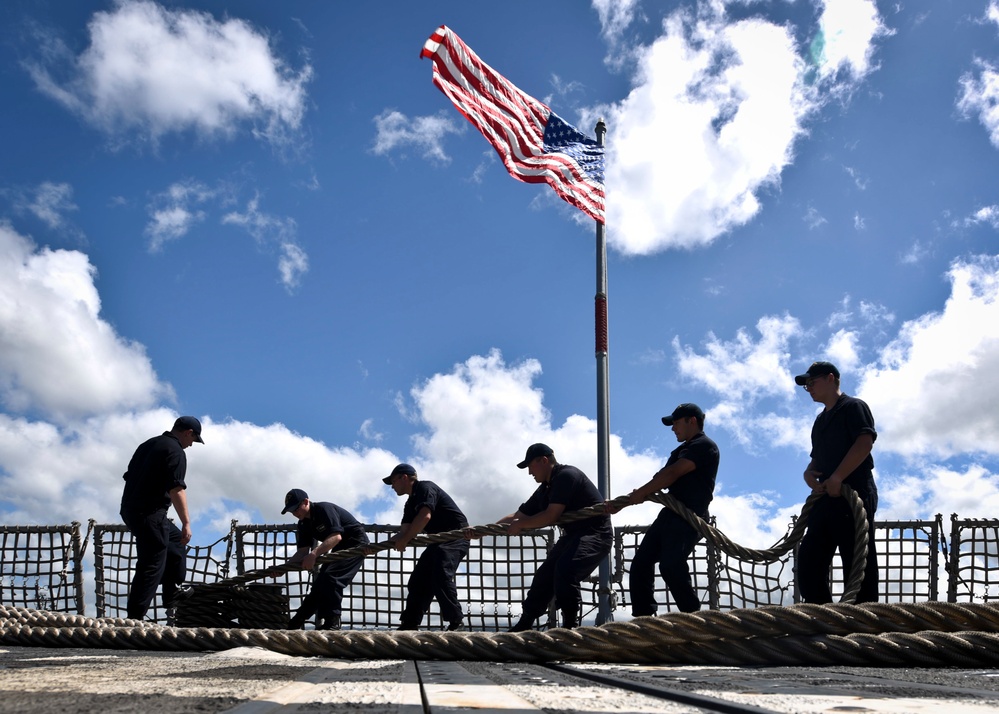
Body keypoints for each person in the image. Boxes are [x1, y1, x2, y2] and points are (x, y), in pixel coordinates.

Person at [500, 443, 612, 631]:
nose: (529, 473)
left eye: (530, 466)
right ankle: (525, 623)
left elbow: (550, 516)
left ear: (544, 461)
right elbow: (519, 515)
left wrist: (520, 525)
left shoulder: (566, 476)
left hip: (596, 533)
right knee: (543, 577)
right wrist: (482, 530)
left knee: (565, 570)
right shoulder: (545, 488)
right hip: (573, 535)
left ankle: (569, 628)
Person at [620, 404, 718, 615]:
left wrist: (641, 493)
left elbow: (673, 473)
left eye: (676, 423)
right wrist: (640, 493)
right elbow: (663, 476)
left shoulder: (704, 445)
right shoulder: (680, 450)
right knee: (640, 565)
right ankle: (644, 619)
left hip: (690, 514)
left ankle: (693, 617)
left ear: (692, 420)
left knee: (671, 564)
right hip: (670, 513)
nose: (673, 428)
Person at [794, 361, 879, 603]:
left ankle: (865, 625)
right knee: (809, 562)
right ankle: (825, 621)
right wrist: (808, 475)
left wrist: (838, 478)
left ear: (831, 379)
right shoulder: (820, 422)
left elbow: (864, 443)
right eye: (806, 385)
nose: (809, 388)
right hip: (826, 498)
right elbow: (816, 460)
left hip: (854, 492)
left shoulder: (854, 407)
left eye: (812, 382)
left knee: (857, 563)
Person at [119, 415, 204, 620]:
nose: (191, 445)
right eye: (193, 440)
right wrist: (186, 523)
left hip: (131, 510)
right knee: (152, 563)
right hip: (150, 513)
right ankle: (135, 619)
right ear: (188, 433)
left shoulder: (148, 445)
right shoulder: (176, 452)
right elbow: (176, 489)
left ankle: (171, 593)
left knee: (174, 541)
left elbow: (129, 476)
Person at [384, 463, 469, 631]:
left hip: (456, 536)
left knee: (441, 572)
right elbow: (405, 531)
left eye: (393, 481)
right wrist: (377, 546)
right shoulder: (409, 503)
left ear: (404, 477)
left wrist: (406, 538)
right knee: (418, 580)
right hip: (437, 541)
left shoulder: (425, 487)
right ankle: (410, 623)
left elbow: (424, 516)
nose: (392, 486)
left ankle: (456, 622)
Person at [277, 488, 369, 630]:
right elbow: (302, 552)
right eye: (291, 511)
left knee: (332, 578)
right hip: (340, 546)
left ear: (306, 502)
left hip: (356, 543)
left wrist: (314, 554)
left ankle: (332, 623)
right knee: (319, 585)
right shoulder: (303, 524)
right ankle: (295, 622)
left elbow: (336, 536)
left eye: (296, 509)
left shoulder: (323, 509)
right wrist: (283, 569)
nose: (295, 514)